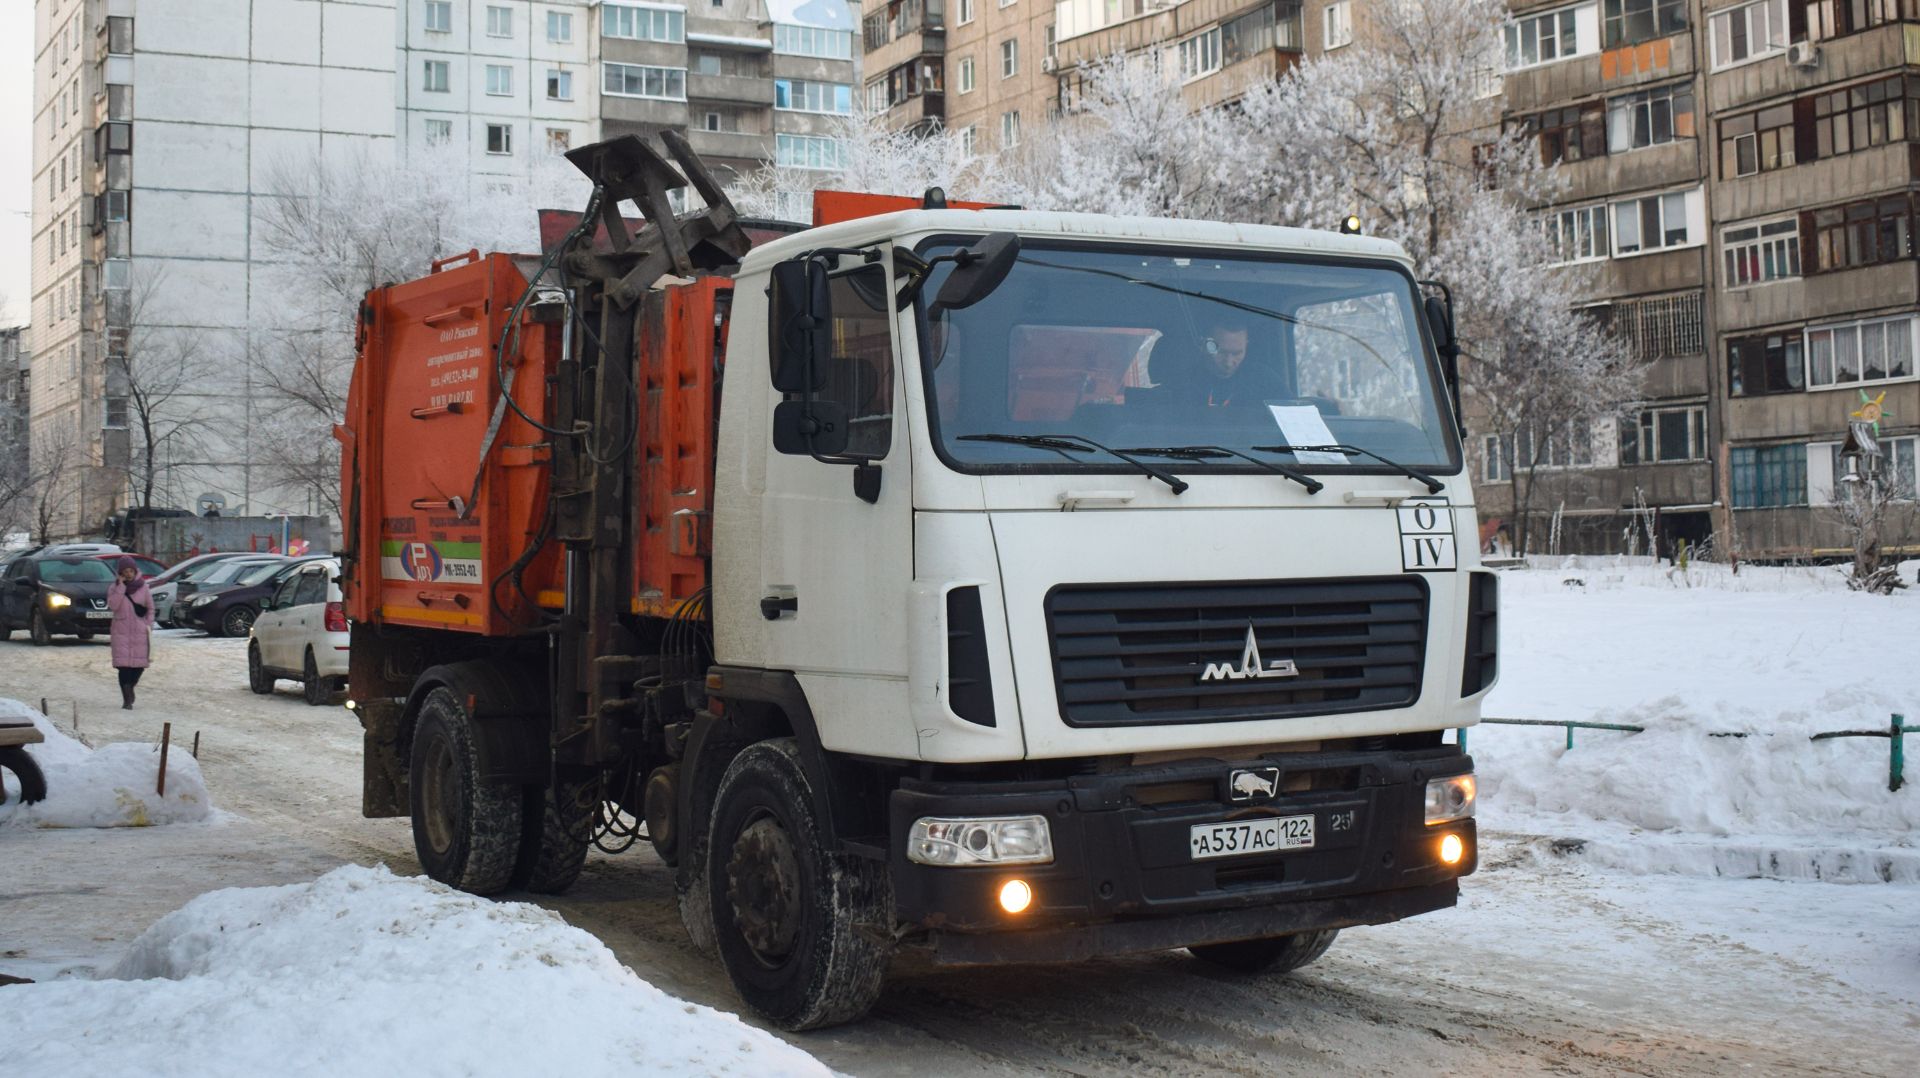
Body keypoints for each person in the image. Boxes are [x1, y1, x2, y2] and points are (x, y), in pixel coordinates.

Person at [1151, 316, 1287, 407]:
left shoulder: (1265, 381)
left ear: (1246, 345)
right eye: (1221, 352)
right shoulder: (1181, 384)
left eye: (1237, 353)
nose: (1228, 362)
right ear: (1205, 345)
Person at [106, 556, 156, 709]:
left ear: (135, 571)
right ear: (120, 573)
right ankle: (127, 698)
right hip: (120, 631)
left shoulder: (143, 587)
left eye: (131, 571)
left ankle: (131, 687)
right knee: (123, 667)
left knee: (139, 667)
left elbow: (150, 608)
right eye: (125, 571)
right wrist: (121, 587)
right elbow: (113, 605)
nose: (128, 574)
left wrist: (148, 624)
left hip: (139, 632)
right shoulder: (114, 588)